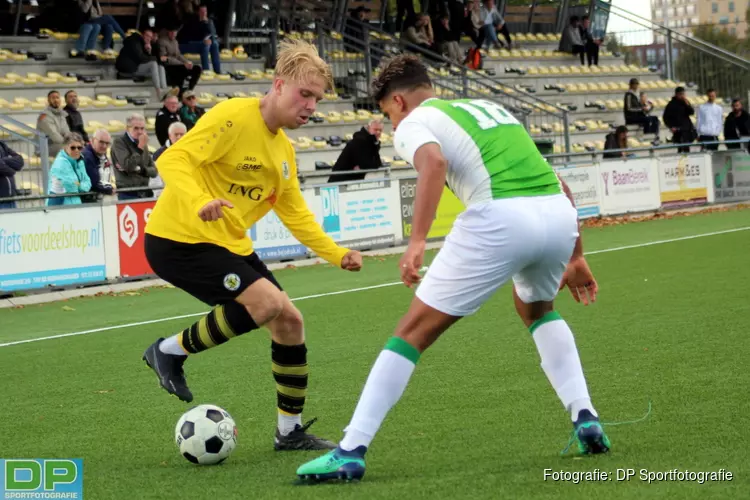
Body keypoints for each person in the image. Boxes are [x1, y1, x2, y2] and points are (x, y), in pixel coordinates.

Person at [296, 54, 609, 482]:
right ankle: (586, 416)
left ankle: (350, 449)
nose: (390, 126)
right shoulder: (489, 110)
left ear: (400, 101)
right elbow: (558, 181)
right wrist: (575, 254)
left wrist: (418, 240)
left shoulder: (412, 123)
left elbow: (434, 164)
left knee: (411, 333)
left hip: (499, 218)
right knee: (536, 310)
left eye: (388, 113)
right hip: (556, 214)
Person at [140, 39, 364, 451]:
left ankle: (289, 432)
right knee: (266, 304)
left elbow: (296, 215)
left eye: (317, 98)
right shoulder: (233, 117)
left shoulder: (283, 152)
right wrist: (199, 200)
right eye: (305, 94)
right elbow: (172, 160)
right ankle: (168, 351)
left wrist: (337, 253)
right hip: (178, 239)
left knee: (290, 322)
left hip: (227, 244)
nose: (311, 106)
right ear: (279, 85)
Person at [46, 132, 92, 206]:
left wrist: (78, 185)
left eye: (79, 148)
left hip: (74, 205)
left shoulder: (80, 161)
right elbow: (71, 186)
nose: (76, 150)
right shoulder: (60, 162)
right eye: (73, 147)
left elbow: (87, 182)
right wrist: (80, 185)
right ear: (65, 147)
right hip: (60, 207)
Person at [663, 86, 695, 153]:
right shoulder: (671, 104)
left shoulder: (685, 102)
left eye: (683, 94)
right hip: (677, 130)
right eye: (680, 94)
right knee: (680, 149)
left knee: (687, 149)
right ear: (676, 94)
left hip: (686, 130)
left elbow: (691, 112)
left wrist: (687, 105)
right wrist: (671, 127)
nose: (682, 96)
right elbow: (666, 118)